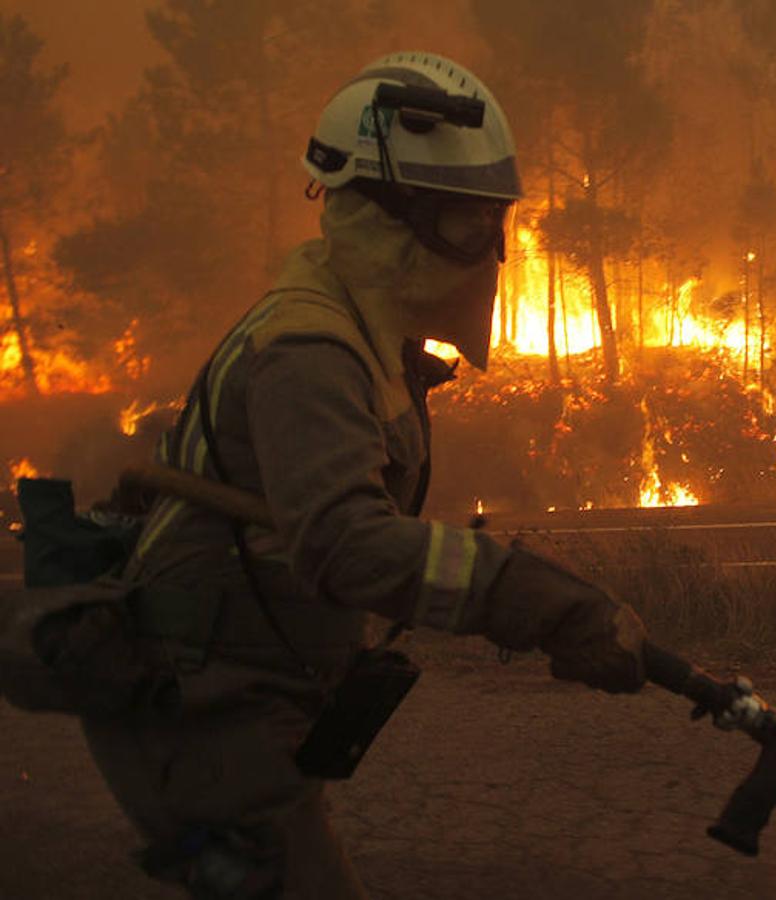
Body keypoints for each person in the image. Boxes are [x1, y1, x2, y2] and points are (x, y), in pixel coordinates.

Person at [80, 51, 648, 899]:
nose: (483, 251)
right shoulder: (311, 351)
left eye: (491, 224)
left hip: (249, 682)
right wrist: (540, 602)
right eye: (461, 225)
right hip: (201, 701)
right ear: (377, 214)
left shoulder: (357, 327)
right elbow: (346, 545)